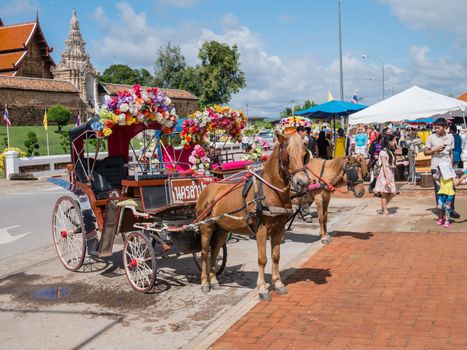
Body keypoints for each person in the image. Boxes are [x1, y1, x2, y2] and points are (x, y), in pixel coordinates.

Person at [424, 118, 460, 219]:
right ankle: (442, 212)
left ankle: (451, 209)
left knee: (451, 189)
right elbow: (425, 152)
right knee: (439, 190)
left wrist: (451, 166)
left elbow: (451, 153)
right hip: (436, 167)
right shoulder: (431, 137)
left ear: (445, 127)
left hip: (447, 167)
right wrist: (434, 150)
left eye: (438, 128)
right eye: (435, 127)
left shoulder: (450, 137)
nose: (436, 129)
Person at [374, 134, 397, 216]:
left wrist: (402, 163)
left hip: (389, 172)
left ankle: (384, 207)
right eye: (394, 140)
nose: (395, 142)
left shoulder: (389, 151)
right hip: (385, 173)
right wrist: (387, 178)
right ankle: (385, 211)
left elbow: (390, 163)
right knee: (385, 193)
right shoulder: (383, 152)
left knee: (392, 192)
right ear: (389, 141)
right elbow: (384, 165)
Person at [436, 162, 457, 227]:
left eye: (442, 169)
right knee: (439, 207)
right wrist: (438, 183)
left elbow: (455, 183)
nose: (441, 171)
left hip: (449, 194)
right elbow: (437, 181)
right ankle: (441, 217)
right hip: (442, 193)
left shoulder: (451, 175)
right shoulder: (440, 175)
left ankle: (447, 220)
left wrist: (459, 180)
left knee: (447, 208)